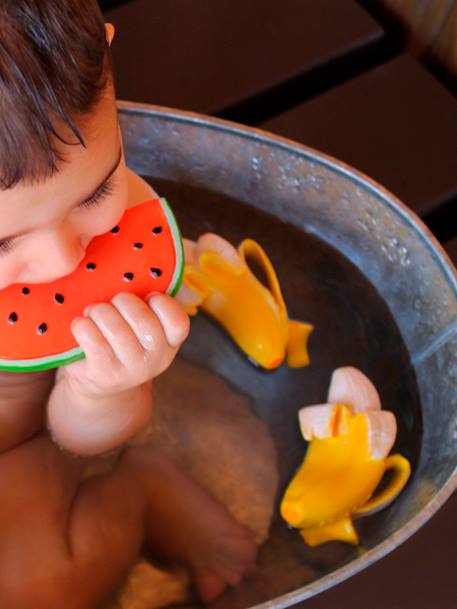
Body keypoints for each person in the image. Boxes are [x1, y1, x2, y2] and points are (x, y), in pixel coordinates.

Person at [0, 2, 258, 607]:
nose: (65, 261)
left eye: (97, 191)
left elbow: (79, 437)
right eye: (4, 241)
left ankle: (143, 492)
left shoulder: (119, 242)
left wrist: (101, 390)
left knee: (40, 592)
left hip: (26, 451)